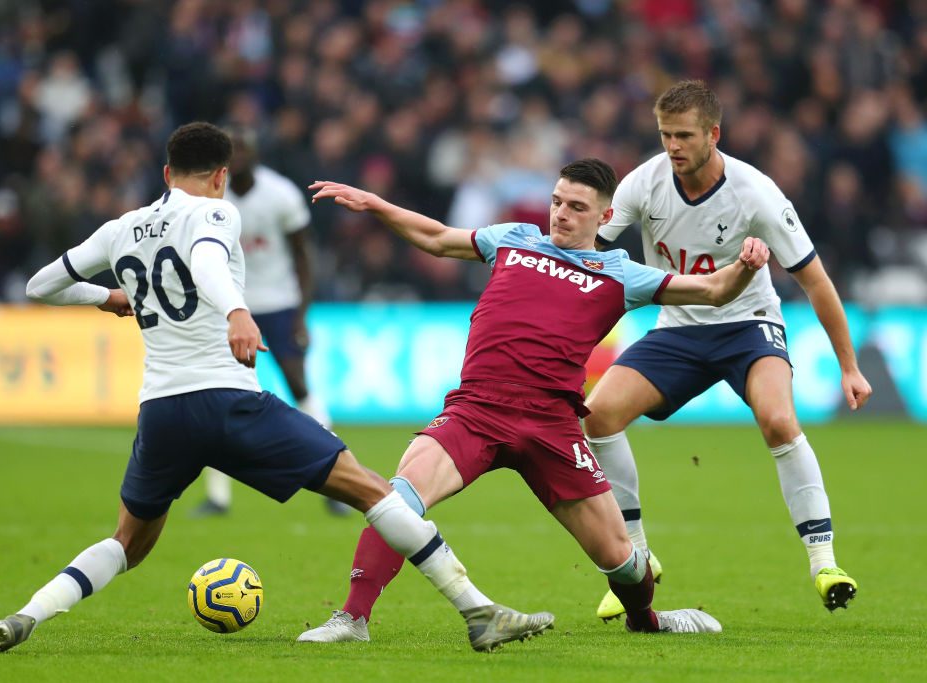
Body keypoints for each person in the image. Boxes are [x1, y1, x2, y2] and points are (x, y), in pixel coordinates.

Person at [0, 122, 554, 655]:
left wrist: (106, 296)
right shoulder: (216, 210)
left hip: (160, 411)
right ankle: (479, 612)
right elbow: (208, 261)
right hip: (226, 399)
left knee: (128, 541)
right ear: (220, 176)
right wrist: (238, 311)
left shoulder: (122, 228)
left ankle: (24, 616)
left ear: (164, 172)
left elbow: (39, 285)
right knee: (370, 488)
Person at [295, 158, 771, 643]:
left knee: (623, 560)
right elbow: (438, 238)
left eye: (577, 207)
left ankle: (646, 619)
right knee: (396, 500)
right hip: (477, 409)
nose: (561, 214)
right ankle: (352, 619)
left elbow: (713, 291)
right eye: (557, 201)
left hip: (552, 425)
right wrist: (376, 205)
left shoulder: (622, 274)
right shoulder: (515, 239)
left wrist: (745, 267)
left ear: (604, 218)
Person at [584, 80, 872, 623]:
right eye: (665, 134)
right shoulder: (643, 183)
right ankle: (636, 556)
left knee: (779, 422)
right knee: (597, 416)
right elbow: (589, 258)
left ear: (713, 134)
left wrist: (849, 366)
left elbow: (816, 282)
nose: (672, 146)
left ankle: (824, 563)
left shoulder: (756, 193)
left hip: (748, 326)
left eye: (684, 136)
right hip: (678, 330)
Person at [192, 126, 348, 518]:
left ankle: (340, 478)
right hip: (229, 305)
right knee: (217, 392)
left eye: (244, 149)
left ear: (256, 154)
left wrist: (302, 314)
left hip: (278, 303)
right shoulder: (207, 196)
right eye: (232, 151)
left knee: (298, 384)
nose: (238, 156)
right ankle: (218, 497)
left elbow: (302, 255)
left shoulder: (280, 195)